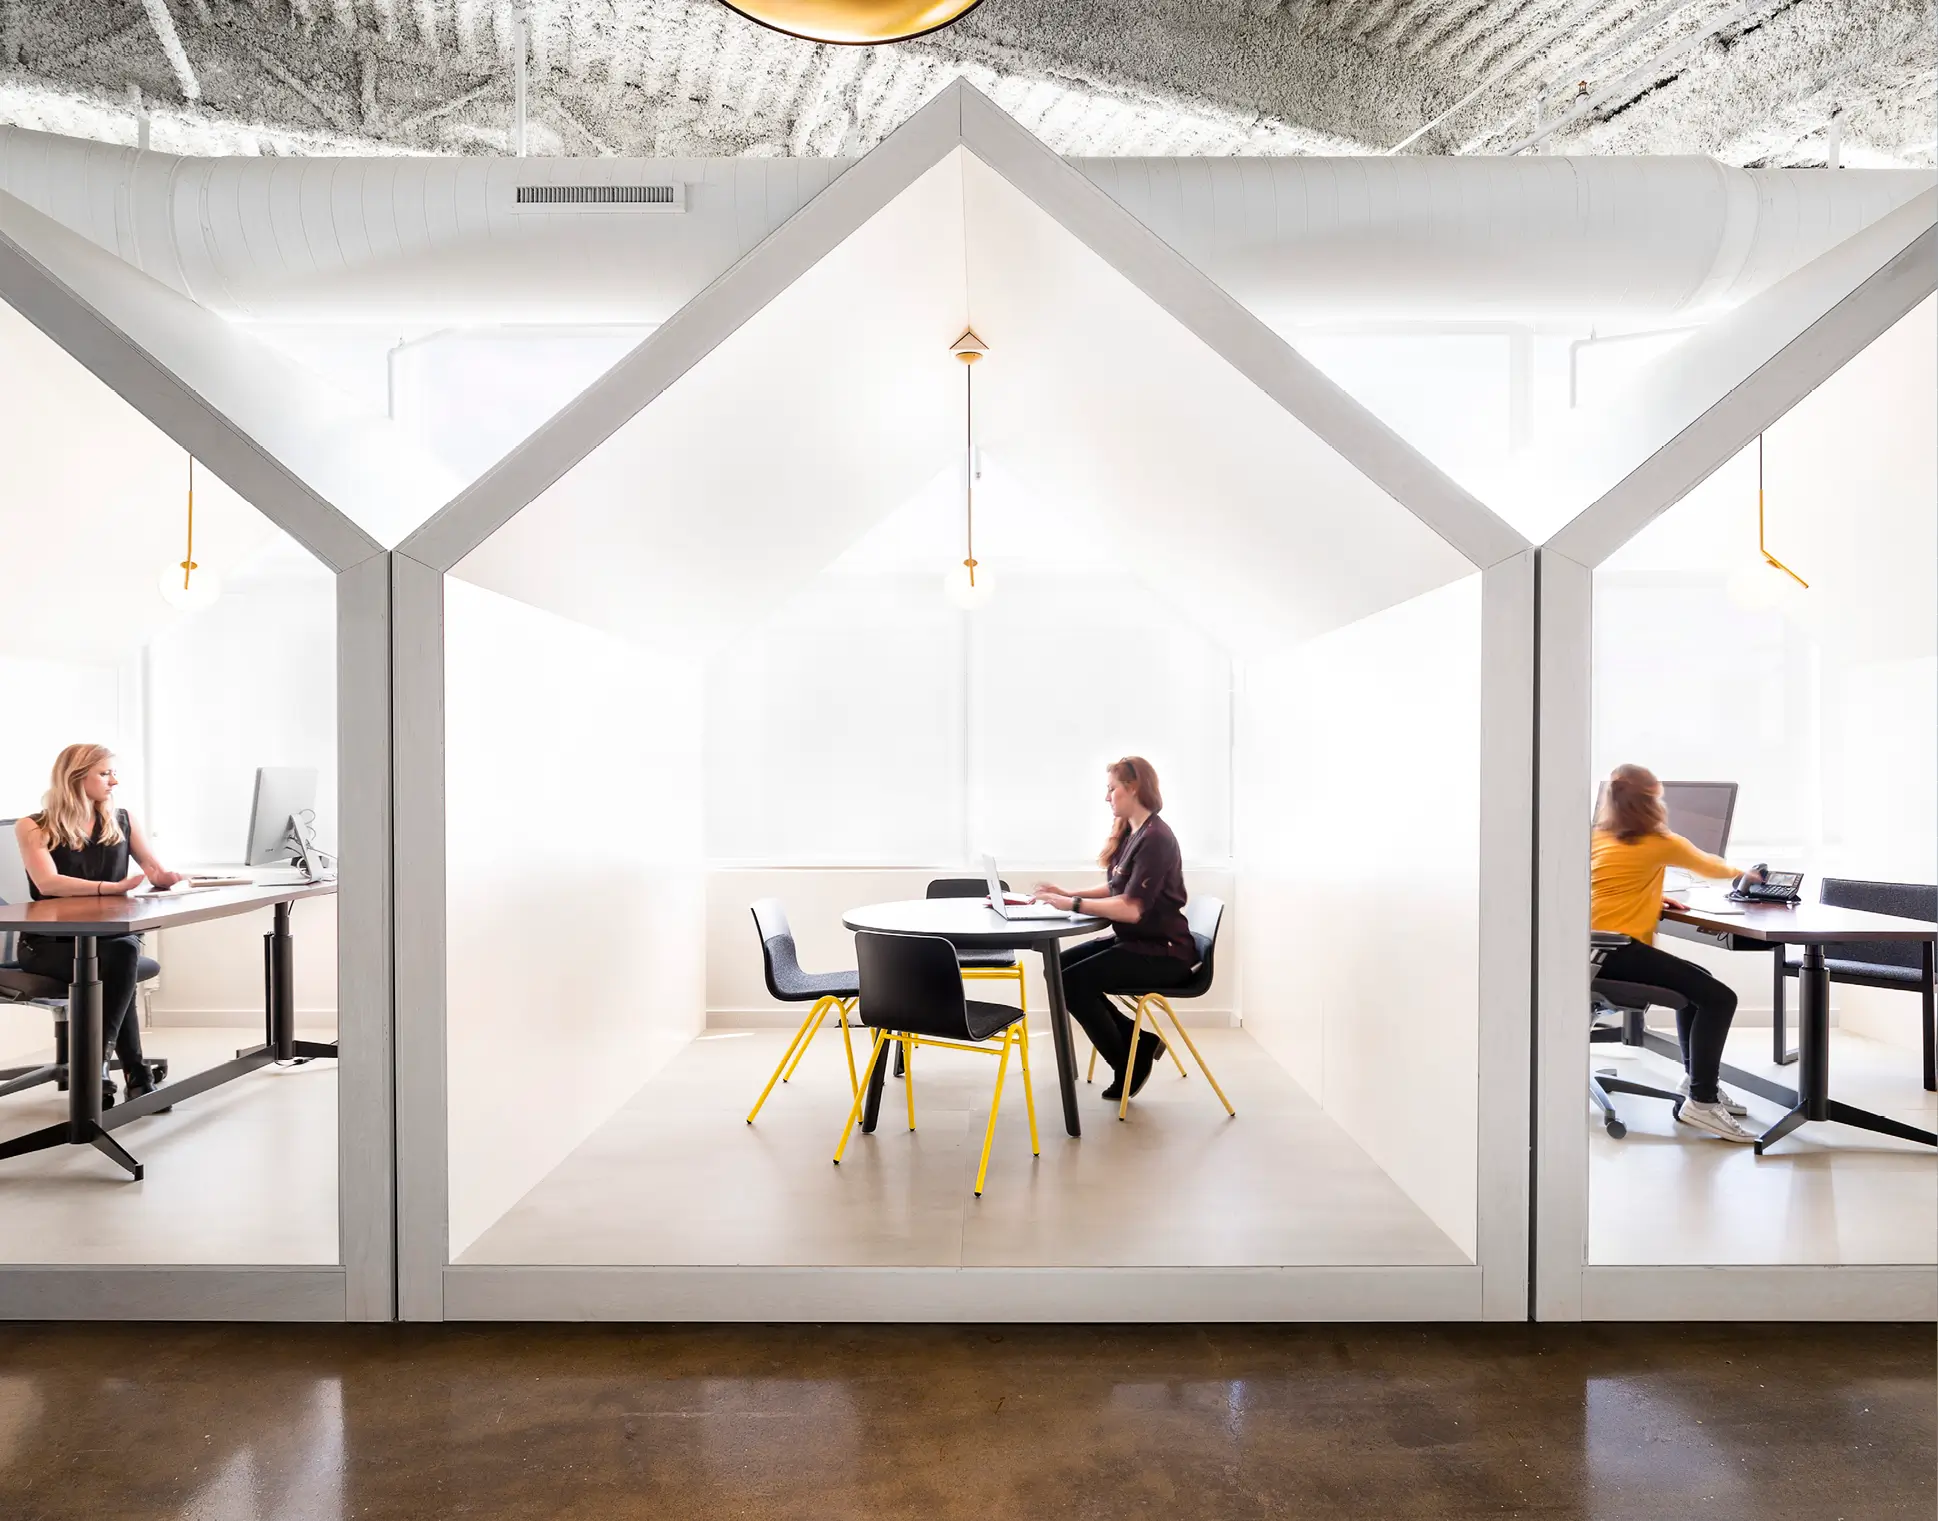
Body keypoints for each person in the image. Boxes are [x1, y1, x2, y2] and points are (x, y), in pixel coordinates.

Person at [1592, 762, 1765, 1143]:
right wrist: (1751, 876)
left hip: (1589, 951)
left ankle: (1698, 1081)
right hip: (1620, 951)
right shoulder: (1661, 842)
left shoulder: (1596, 838)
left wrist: (1650, 896)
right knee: (1720, 998)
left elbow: (1603, 888)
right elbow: (1714, 868)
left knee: (1698, 984)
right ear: (1652, 803)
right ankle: (1702, 1103)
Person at [13, 744, 182, 1105]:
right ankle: (132, 1072)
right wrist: (113, 889)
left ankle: (102, 1067)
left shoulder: (121, 820)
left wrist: (165, 877)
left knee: (121, 952)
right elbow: (49, 884)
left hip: (107, 941)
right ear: (76, 777)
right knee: (122, 957)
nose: (114, 781)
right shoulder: (34, 826)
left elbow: (151, 868)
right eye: (105, 773)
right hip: (48, 945)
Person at [1032, 756, 1196, 1103]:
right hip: (1139, 943)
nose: (1107, 797)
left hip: (1163, 952)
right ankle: (1138, 1045)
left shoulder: (1156, 839)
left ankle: (1127, 1060)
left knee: (1072, 981)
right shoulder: (1134, 832)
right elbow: (1116, 889)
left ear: (1132, 788)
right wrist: (1067, 893)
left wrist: (1072, 906)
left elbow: (1132, 909)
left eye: (1111, 789)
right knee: (1058, 970)